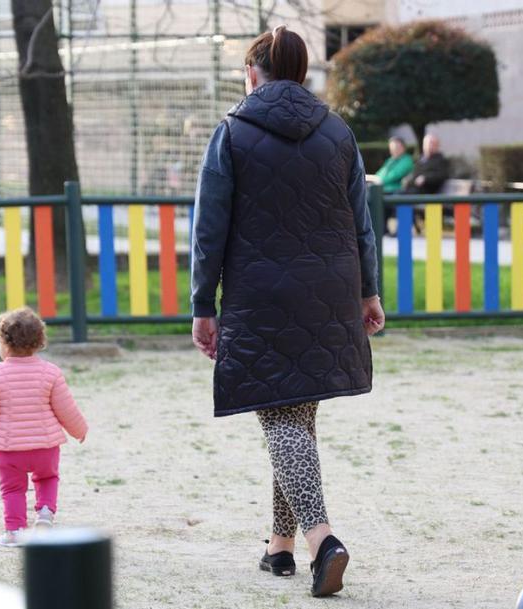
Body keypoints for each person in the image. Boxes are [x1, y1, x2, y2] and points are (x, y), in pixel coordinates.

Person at [190, 25, 384, 598]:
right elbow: (361, 222)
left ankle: (323, 539)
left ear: (254, 73)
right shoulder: (338, 133)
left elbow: (209, 230)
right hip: (329, 288)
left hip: (261, 293)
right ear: (301, 74)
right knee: (295, 413)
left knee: (279, 416)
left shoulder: (232, 132)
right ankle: (280, 547)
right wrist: (368, 292)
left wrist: (204, 305)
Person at [0, 308, 88, 548]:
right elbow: (66, 409)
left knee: (12, 489)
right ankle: (44, 514)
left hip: (11, 451)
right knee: (48, 478)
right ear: (40, 343)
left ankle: (14, 531)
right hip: (46, 445)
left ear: (4, 343)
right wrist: (79, 430)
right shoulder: (50, 372)